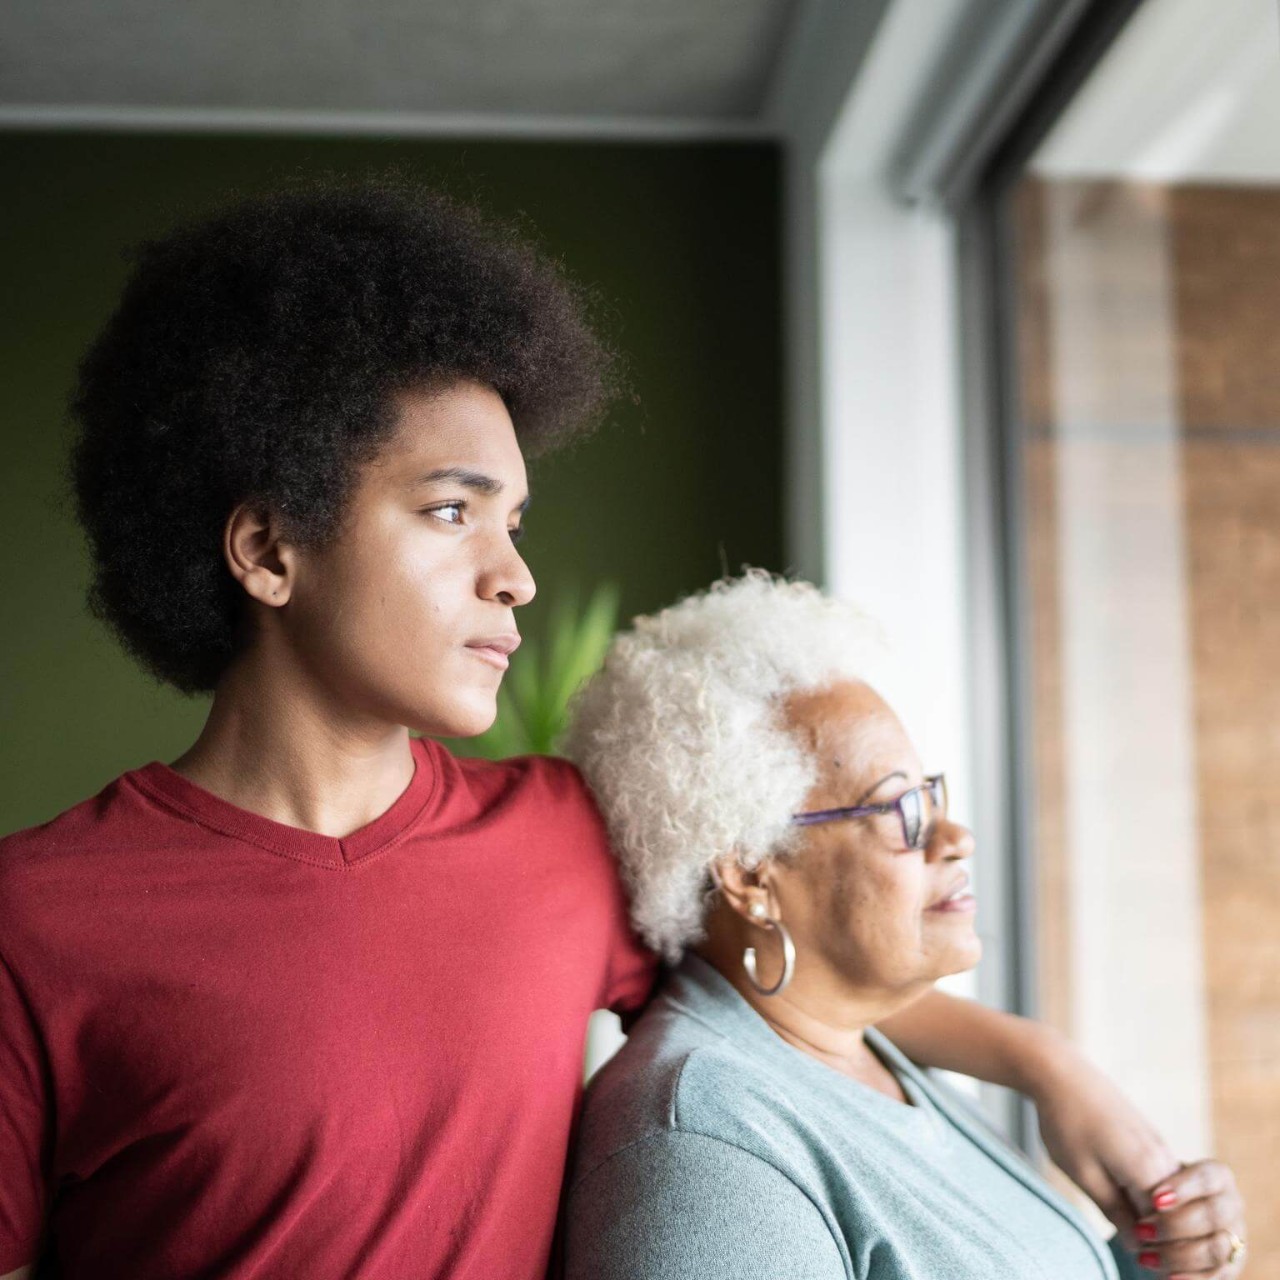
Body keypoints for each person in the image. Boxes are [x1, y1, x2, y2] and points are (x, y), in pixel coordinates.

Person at [0, 183, 1228, 1279]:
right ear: (269, 549)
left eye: (516, 523)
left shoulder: (556, 840)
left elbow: (795, 963)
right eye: (449, 513)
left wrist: (1048, 1069)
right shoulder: (40, 922)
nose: (515, 578)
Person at [560, 573, 1248, 1280]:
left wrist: (1162, 1260)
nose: (956, 838)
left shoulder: (861, 1050)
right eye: (901, 811)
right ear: (752, 874)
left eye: (929, 795)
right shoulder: (706, 1152)